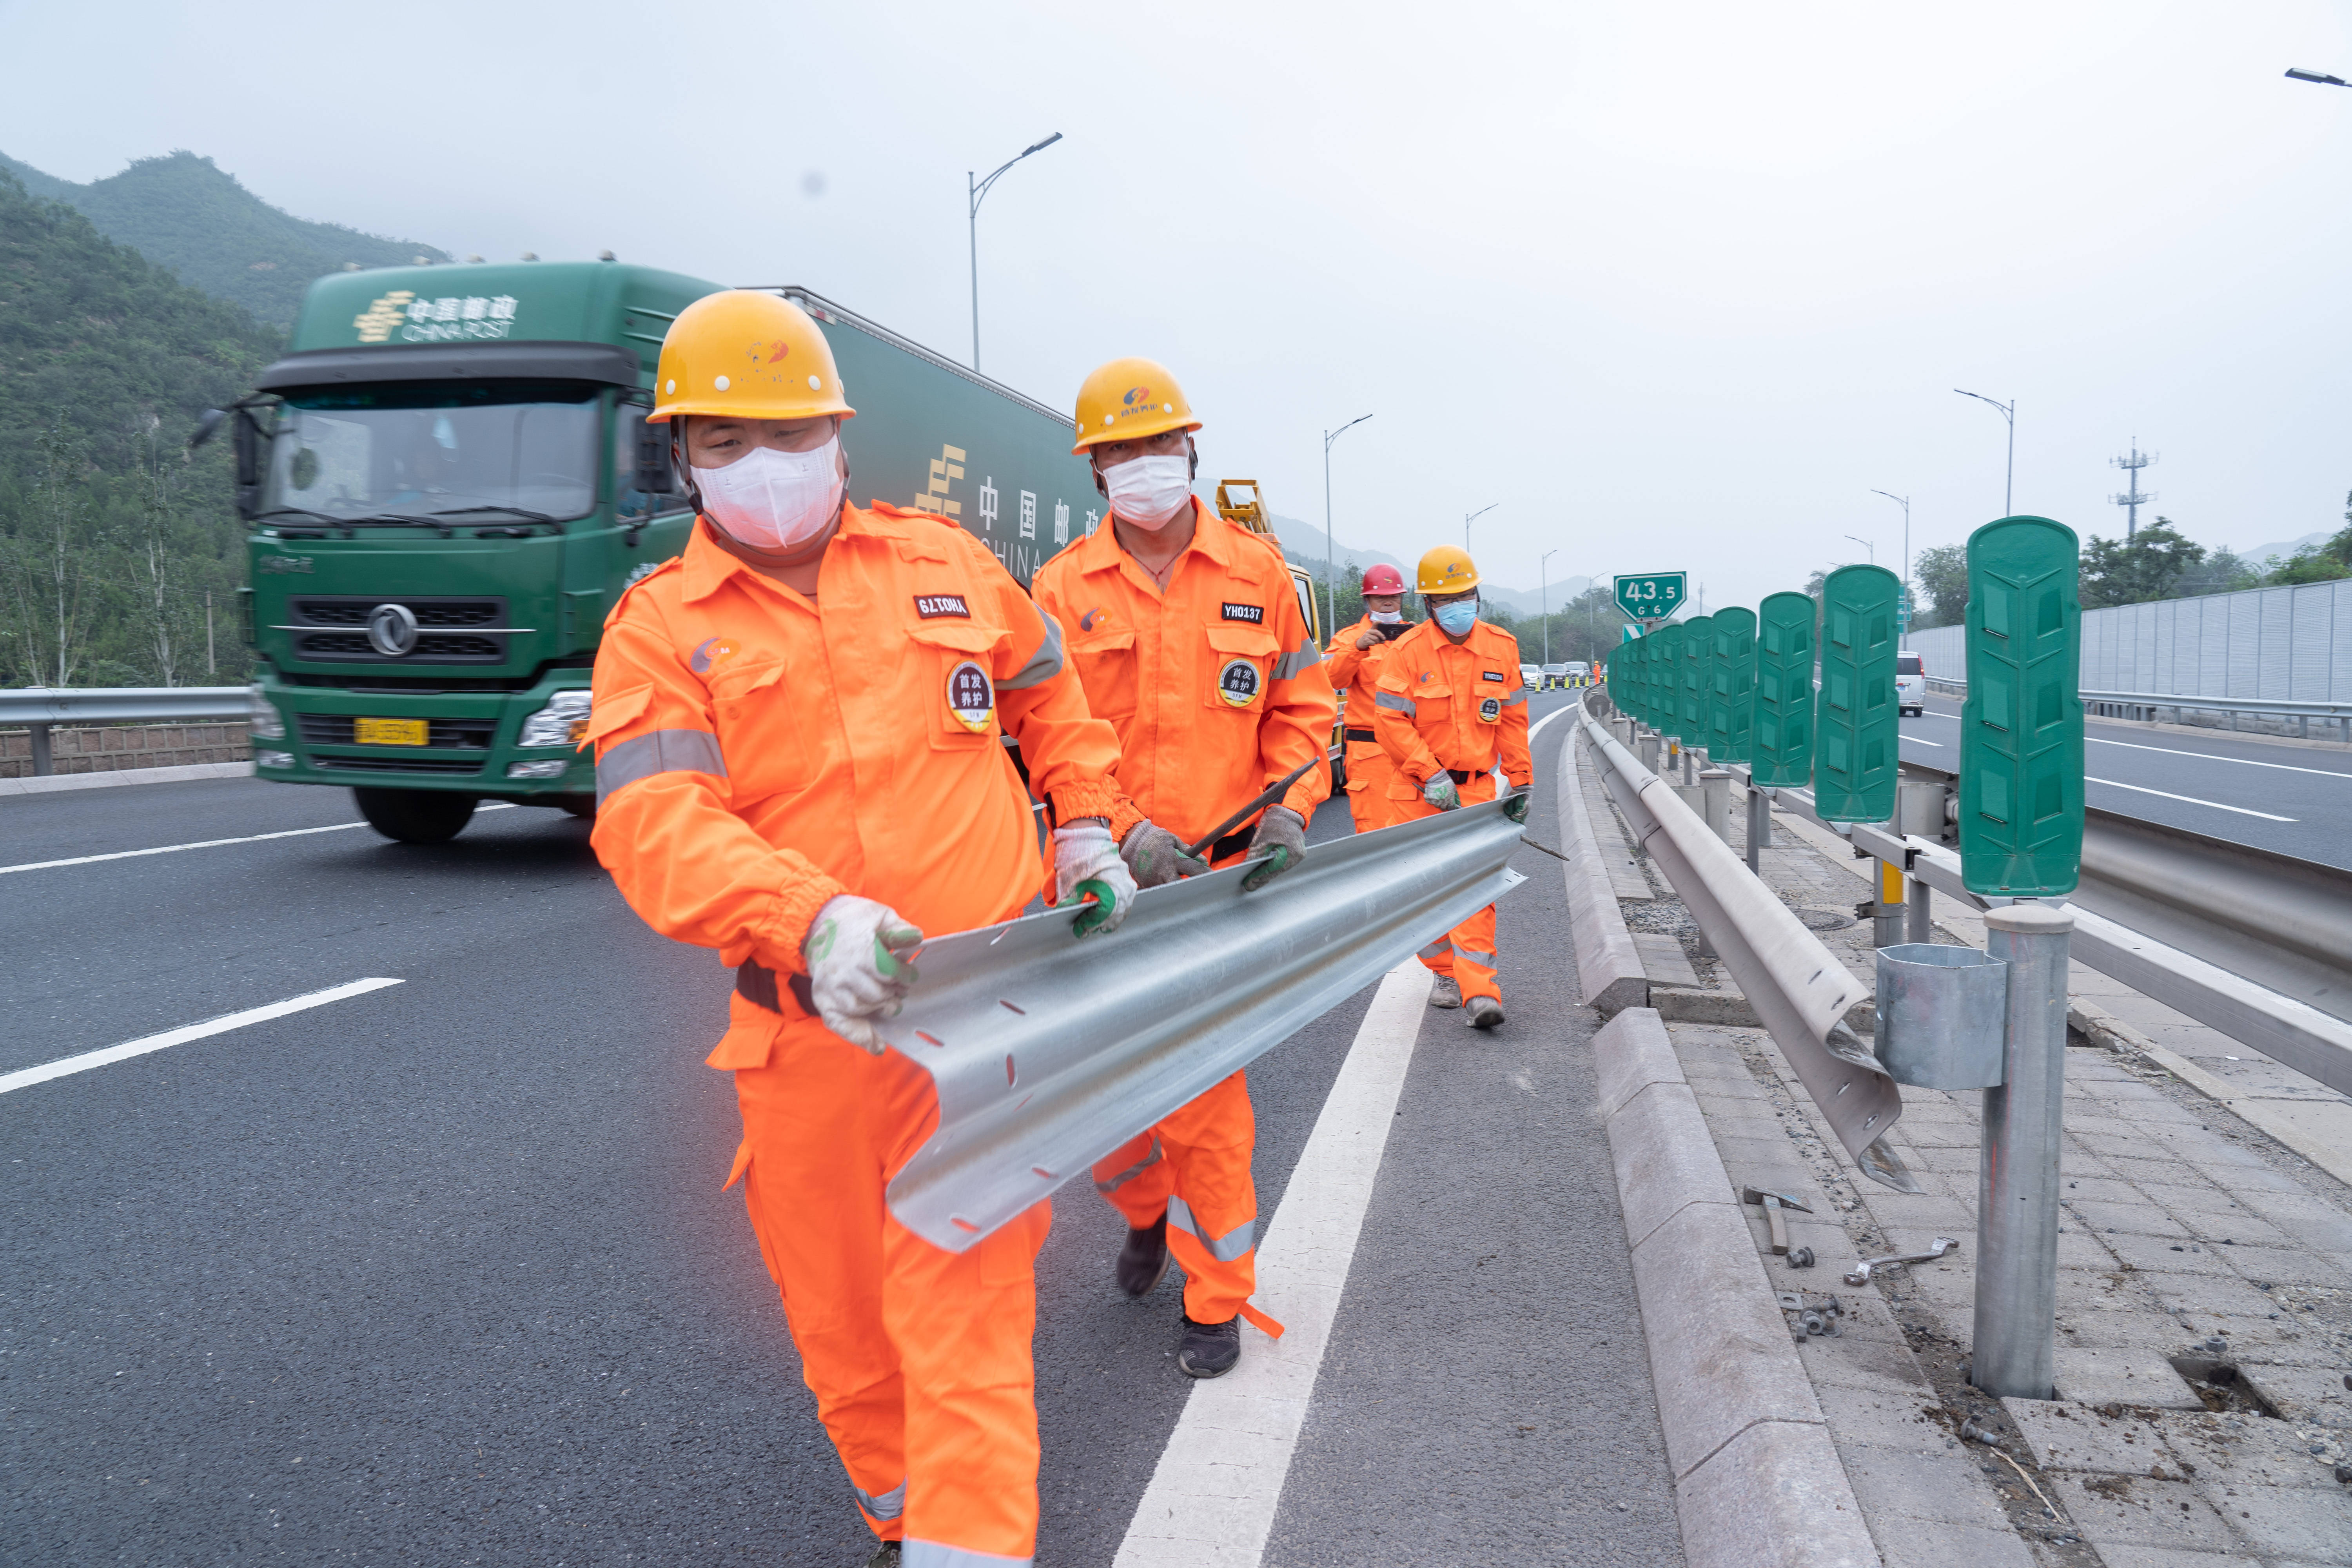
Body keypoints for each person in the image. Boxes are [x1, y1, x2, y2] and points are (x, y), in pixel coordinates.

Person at [586, 289, 1139, 1568]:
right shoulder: (661, 632)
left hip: (981, 1025)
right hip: (806, 1043)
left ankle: (966, 1547)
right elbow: (654, 823)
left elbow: (1050, 689)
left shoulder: (945, 564)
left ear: (838, 435)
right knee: (844, 1333)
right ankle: (906, 1521)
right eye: (724, 444)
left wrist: (1086, 824)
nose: (761, 466)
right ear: (684, 461)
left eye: (785, 433)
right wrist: (810, 916)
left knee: (966, 1317)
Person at [1030, 356, 1336, 1380]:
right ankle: (1140, 1209)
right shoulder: (1057, 590)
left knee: (1205, 1102)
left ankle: (1216, 1300)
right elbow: (1046, 736)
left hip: (1213, 891)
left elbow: (1300, 714)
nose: (1144, 466)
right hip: (1100, 884)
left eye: (1160, 445)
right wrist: (1118, 830)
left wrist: (1291, 812)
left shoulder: (1259, 574)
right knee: (1105, 1102)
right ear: (1095, 472)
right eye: (1121, 452)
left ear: (1192, 453)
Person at [1374, 544, 1533, 1030]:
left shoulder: (1501, 647)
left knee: (1475, 890)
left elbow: (1512, 719)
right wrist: (1431, 774)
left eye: (1466, 595)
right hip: (1418, 794)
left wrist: (1521, 781)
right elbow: (1390, 722)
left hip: (1479, 792)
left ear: (1479, 595)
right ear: (1428, 606)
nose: (1459, 605)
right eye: (1447, 600)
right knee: (1420, 892)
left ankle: (1479, 990)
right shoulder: (1406, 653)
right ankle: (1443, 971)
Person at [1321, 562, 1414, 833]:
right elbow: (1328, 679)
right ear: (1367, 600)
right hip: (1370, 755)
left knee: (1416, 834)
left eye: (1393, 596)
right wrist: (1357, 648)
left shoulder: (1417, 637)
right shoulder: (1348, 638)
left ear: (1402, 599)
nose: (1387, 602)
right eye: (1380, 597)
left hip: (1414, 752)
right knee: (1375, 834)